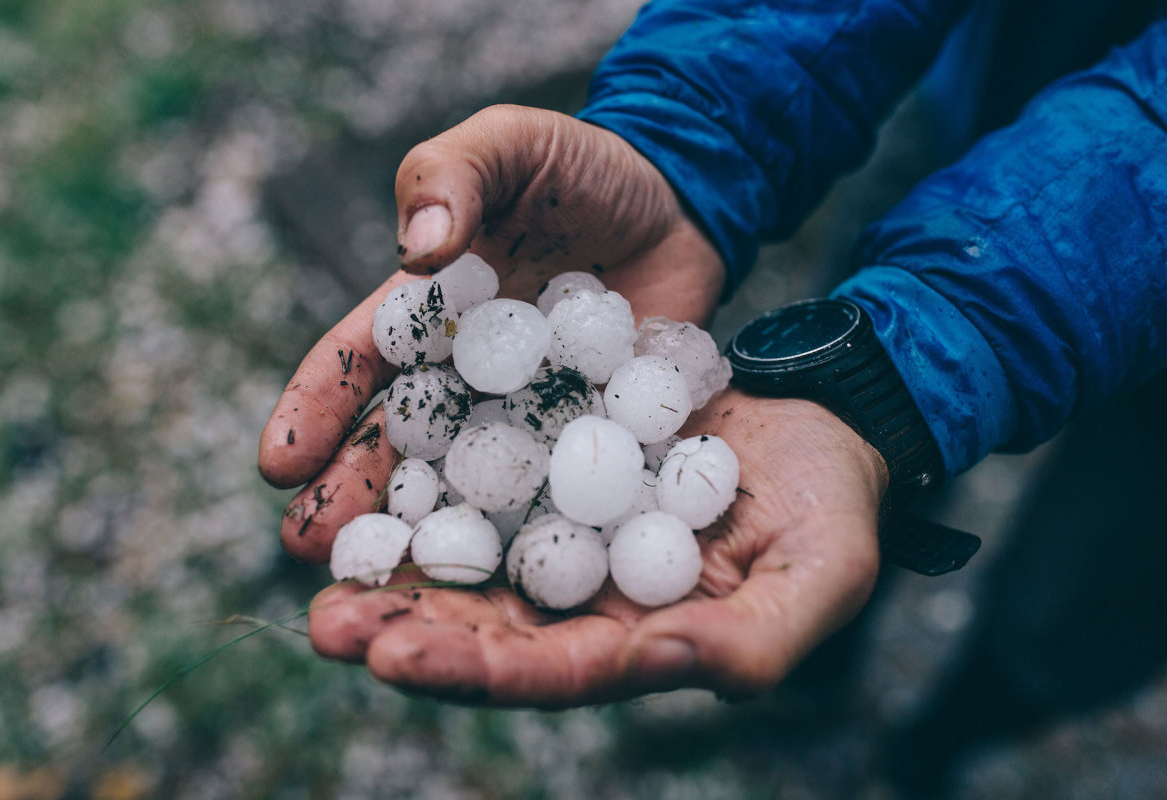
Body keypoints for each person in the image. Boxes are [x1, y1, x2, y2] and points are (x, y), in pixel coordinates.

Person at [257, 0, 1167, 717]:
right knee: (872, 412)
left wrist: (959, 333)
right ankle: (822, 683)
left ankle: (959, 735)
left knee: (1085, 592)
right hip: (981, 73)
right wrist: (688, 132)